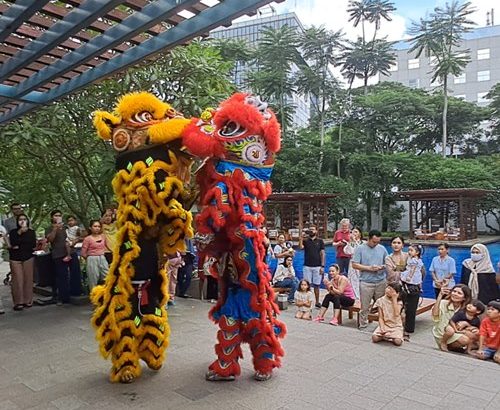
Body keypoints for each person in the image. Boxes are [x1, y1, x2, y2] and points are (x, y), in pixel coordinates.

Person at [351, 229, 388, 329]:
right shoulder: (360, 249)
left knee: (382, 305)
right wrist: (369, 268)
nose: (376, 244)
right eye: (374, 242)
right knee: (365, 307)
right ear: (369, 239)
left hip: (380, 281)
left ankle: (383, 325)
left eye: (378, 242)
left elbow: (388, 262)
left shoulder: (382, 248)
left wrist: (382, 267)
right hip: (366, 282)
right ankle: (363, 325)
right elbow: (354, 264)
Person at [8, 213, 36, 311]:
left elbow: (32, 244)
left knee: (28, 279)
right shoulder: (13, 232)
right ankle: (18, 302)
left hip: (28, 257)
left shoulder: (31, 232)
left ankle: (28, 301)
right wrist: (20, 232)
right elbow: (13, 242)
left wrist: (20, 244)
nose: (22, 221)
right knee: (17, 280)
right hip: (15, 258)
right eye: (20, 219)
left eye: (24, 219)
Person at [432, 284, 471, 351]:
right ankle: (443, 343)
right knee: (465, 340)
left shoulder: (465, 308)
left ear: (464, 298)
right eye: (454, 291)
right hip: (442, 332)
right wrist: (440, 296)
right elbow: (435, 316)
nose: (455, 294)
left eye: (459, 293)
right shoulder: (444, 303)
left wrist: (466, 324)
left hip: (455, 331)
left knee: (473, 334)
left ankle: (452, 347)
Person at [400, 244, 424, 341]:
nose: (409, 252)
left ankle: (407, 331)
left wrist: (409, 277)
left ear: (417, 252)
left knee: (410, 310)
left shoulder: (415, 261)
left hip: (412, 284)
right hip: (405, 284)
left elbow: (414, 271)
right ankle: (399, 328)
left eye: (411, 250)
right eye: (408, 250)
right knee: (401, 308)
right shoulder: (408, 259)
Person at [299, 225, 325, 308]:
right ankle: (306, 302)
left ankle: (317, 302)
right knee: (306, 285)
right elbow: (300, 247)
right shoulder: (306, 241)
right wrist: (301, 238)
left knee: (317, 285)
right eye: (310, 229)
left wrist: (322, 266)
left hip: (317, 266)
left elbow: (322, 253)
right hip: (307, 266)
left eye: (313, 229)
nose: (311, 231)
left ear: (316, 231)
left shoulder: (320, 241)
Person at [371, 282, 404, 346]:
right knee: (374, 338)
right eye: (388, 288)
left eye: (391, 289)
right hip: (385, 324)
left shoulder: (399, 302)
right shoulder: (380, 300)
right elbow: (380, 317)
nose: (388, 290)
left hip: (396, 326)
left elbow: (397, 314)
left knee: (398, 342)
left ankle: (389, 336)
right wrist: (382, 328)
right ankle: (386, 336)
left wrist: (394, 299)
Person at [80, 220, 109, 293]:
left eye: (99, 226)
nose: (97, 228)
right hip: (92, 259)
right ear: (90, 228)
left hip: (102, 258)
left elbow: (107, 246)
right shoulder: (87, 239)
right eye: (95, 226)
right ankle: (94, 296)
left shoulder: (103, 236)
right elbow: (83, 253)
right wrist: (90, 259)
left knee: (108, 277)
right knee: (93, 279)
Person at [343, 227, 364, 300]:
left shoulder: (363, 243)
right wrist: (349, 242)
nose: (353, 233)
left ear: (360, 234)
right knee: (352, 279)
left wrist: (355, 241)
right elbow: (347, 252)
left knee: (360, 280)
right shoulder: (350, 243)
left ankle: (361, 297)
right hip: (352, 263)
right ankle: (353, 297)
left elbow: (362, 251)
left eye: (356, 232)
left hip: (361, 263)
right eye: (352, 232)